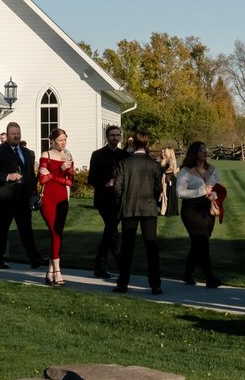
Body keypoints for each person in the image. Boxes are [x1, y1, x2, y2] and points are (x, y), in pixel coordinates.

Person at [113, 131, 165, 294]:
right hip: (148, 208)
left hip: (130, 207)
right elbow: (158, 188)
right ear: (146, 145)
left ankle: (123, 284)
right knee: (151, 247)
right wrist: (152, 198)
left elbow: (117, 188)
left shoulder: (124, 163)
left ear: (133, 144)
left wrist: (122, 201)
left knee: (127, 248)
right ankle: (155, 284)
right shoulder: (154, 165)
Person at [0, 124, 43, 270]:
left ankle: (34, 258)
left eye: (18, 133)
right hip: (5, 197)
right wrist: (7, 176)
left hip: (23, 198)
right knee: (3, 228)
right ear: (7, 134)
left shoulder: (26, 152)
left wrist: (34, 192)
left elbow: (30, 173)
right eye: (13, 133)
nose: (16, 136)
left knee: (26, 228)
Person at [175, 141, 225, 288]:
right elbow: (180, 193)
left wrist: (214, 195)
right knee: (202, 242)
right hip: (191, 211)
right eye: (202, 150)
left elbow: (218, 187)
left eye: (206, 149)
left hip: (208, 211)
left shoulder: (212, 169)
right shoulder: (186, 171)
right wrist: (201, 191)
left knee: (199, 244)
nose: (205, 152)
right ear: (194, 153)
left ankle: (187, 274)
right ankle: (210, 278)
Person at [88, 124, 128, 278]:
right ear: (107, 137)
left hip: (119, 200)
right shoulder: (97, 154)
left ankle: (100, 266)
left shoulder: (124, 156)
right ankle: (120, 264)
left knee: (110, 232)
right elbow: (91, 178)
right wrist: (106, 183)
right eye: (112, 135)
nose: (115, 138)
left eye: (118, 135)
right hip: (103, 199)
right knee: (111, 230)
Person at [37, 129, 75, 286]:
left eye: (65, 140)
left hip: (62, 199)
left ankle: (50, 272)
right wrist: (59, 172)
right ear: (52, 140)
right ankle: (57, 272)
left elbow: (70, 181)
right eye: (60, 140)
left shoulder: (69, 157)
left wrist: (53, 174)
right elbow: (42, 180)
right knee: (55, 232)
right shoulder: (46, 155)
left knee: (57, 233)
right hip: (48, 199)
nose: (63, 143)